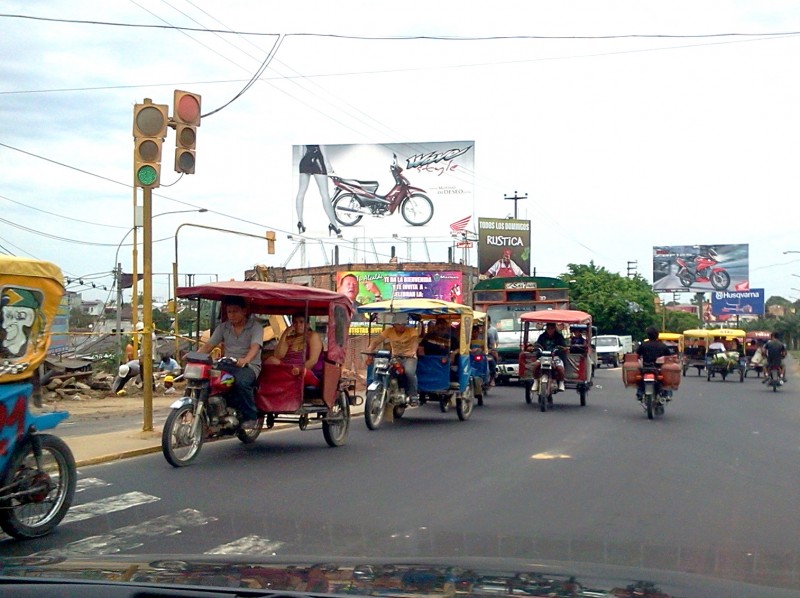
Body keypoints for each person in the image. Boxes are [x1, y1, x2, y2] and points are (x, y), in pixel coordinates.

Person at [199, 296, 263, 426]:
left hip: (248, 367)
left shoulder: (255, 327)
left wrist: (246, 360)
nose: (231, 315)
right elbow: (209, 345)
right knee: (203, 379)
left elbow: (255, 347)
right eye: (229, 312)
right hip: (227, 364)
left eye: (235, 311)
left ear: (244, 311)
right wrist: (195, 356)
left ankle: (250, 416)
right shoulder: (223, 327)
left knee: (241, 382)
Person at [366, 314, 420, 406]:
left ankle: (413, 395)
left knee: (409, 372)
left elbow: (415, 341)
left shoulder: (412, 331)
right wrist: (370, 348)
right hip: (395, 358)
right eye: (398, 324)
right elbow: (377, 340)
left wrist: (413, 352)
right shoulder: (389, 331)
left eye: (403, 324)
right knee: (383, 371)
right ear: (394, 325)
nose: (401, 326)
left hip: (409, 358)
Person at [295, 144, 342, 238]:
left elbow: (301, 151)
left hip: (305, 159)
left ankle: (300, 223)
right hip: (317, 159)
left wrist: (303, 162)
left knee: (301, 192)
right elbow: (321, 145)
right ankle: (335, 226)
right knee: (325, 194)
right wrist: (327, 162)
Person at [266, 312, 324, 386]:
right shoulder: (290, 338)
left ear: (307, 324)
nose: (298, 325)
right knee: (271, 360)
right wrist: (284, 335)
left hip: (305, 372)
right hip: (287, 370)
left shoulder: (312, 336)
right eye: (295, 322)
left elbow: (313, 361)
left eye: (301, 322)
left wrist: (299, 370)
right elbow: (278, 355)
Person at [636, 326, 672, 399]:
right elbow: (669, 357)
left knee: (640, 381)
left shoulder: (643, 345)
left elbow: (637, 355)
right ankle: (667, 394)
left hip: (646, 368)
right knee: (666, 381)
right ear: (657, 335)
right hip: (658, 369)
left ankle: (640, 392)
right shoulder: (663, 345)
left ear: (648, 335)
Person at [531, 322, 567, 392]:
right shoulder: (542, 336)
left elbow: (563, 346)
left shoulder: (559, 336)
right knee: (535, 365)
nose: (550, 330)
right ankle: (535, 381)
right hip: (543, 356)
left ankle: (561, 382)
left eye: (552, 328)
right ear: (546, 329)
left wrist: (563, 349)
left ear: (554, 329)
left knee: (560, 368)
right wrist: (533, 348)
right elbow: (538, 344)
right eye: (548, 328)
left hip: (555, 357)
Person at [487, 316, 498, 385]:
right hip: (475, 353)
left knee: (492, 361)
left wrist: (491, 350)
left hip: (488, 352)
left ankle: (492, 377)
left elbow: (494, 343)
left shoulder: (490, 334)